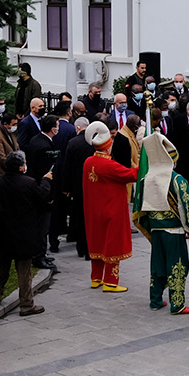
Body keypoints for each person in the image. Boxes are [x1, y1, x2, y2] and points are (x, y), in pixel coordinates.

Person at [135, 129, 189, 315]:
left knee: (158, 265)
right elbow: (186, 205)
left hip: (155, 228)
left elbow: (139, 202)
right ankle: (177, 304)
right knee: (177, 265)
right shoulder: (178, 180)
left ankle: (155, 300)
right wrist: (188, 227)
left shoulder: (147, 178)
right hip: (174, 229)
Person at [0, 150, 51, 317]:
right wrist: (46, 180)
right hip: (23, 232)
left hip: (3, 231)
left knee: (2, 264)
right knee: (24, 269)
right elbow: (42, 196)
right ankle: (26, 303)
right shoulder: (29, 182)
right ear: (21, 167)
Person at [81, 121, 139, 291]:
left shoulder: (88, 162)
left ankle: (96, 278)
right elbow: (130, 174)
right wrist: (145, 163)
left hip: (94, 211)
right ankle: (111, 281)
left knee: (97, 242)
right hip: (111, 209)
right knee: (112, 244)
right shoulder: (109, 165)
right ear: (107, 147)